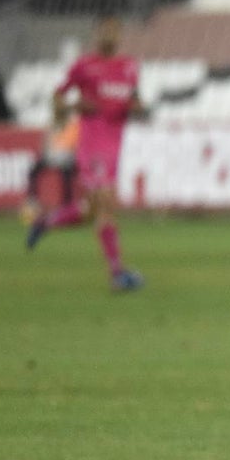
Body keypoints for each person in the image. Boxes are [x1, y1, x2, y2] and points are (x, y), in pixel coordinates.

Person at [26, 16, 148, 293]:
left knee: (88, 212)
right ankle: (117, 274)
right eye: (104, 31)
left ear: (119, 35)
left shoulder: (129, 67)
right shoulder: (84, 66)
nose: (109, 36)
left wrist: (138, 109)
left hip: (114, 148)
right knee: (106, 206)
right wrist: (72, 107)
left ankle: (45, 222)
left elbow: (135, 102)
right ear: (96, 35)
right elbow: (58, 97)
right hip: (92, 148)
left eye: (113, 31)